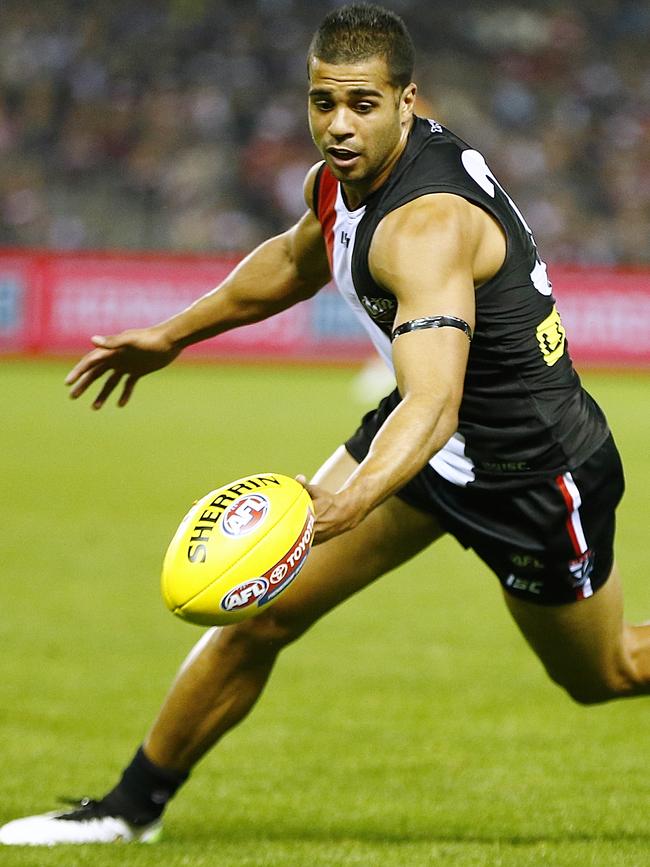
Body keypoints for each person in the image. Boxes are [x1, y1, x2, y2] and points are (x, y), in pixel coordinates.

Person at [1, 3, 648, 847]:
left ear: (407, 101)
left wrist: (353, 498)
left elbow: (432, 402)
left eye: (362, 105)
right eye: (322, 103)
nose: (337, 125)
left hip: (531, 470)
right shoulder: (339, 182)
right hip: (423, 448)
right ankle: (129, 808)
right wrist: (171, 333)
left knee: (605, 673)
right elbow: (294, 259)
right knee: (262, 610)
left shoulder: (428, 226)